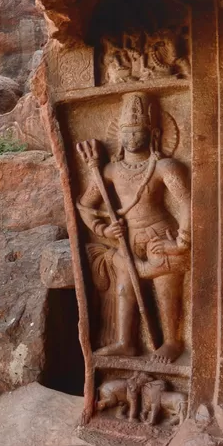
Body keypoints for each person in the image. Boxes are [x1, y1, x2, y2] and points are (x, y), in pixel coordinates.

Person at [77, 92, 190, 364]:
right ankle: (126, 342)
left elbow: (188, 203)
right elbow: (84, 205)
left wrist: (182, 242)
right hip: (126, 238)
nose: (132, 138)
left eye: (138, 131)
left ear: (152, 134)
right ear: (119, 135)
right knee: (124, 287)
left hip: (159, 234)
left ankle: (173, 341)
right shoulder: (111, 171)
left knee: (165, 286)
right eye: (127, 132)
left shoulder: (165, 166)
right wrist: (104, 230)